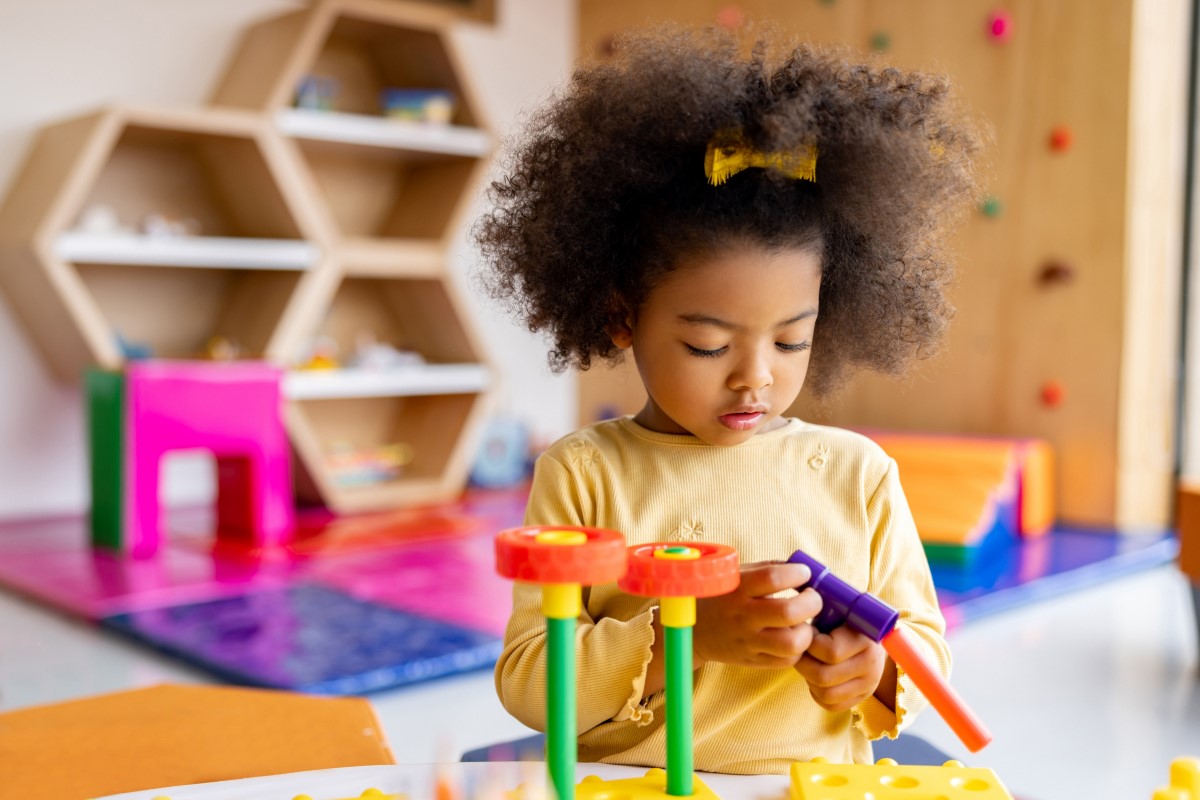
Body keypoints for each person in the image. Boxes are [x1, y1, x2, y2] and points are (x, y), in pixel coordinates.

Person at [474, 23, 980, 774]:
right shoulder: (583, 473)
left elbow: (921, 651)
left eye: (790, 341)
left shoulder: (857, 473)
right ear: (621, 316)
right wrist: (689, 633)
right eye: (709, 346)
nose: (755, 378)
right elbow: (529, 686)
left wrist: (873, 673)